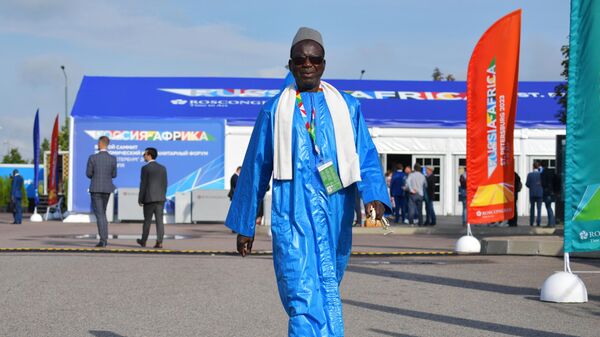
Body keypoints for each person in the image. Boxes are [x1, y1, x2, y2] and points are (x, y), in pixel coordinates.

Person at [224, 27, 391, 337]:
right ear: (291, 65)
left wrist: (374, 196)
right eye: (300, 59)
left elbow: (365, 155)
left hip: (335, 213)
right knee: (301, 295)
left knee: (328, 286)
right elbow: (255, 169)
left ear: (324, 64)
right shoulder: (274, 111)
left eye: (314, 59)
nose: (308, 64)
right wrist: (245, 224)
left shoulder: (348, 108)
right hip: (292, 215)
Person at [86, 136, 117, 247]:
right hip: (107, 188)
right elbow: (114, 175)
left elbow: (88, 174)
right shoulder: (113, 158)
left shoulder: (92, 158)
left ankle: (103, 240)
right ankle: (104, 238)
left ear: (100, 143)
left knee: (100, 214)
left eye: (98, 143)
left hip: (96, 189)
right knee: (102, 213)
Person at [137, 147, 168, 249]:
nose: (143, 156)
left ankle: (143, 241)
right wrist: (162, 196)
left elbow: (143, 185)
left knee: (147, 221)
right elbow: (165, 184)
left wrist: (140, 199)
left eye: (144, 154)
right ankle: (159, 242)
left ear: (149, 155)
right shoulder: (163, 168)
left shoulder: (145, 168)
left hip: (149, 199)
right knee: (160, 221)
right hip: (160, 199)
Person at [526, 161, 543, 227]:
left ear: (533, 166)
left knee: (532, 208)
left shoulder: (530, 174)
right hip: (540, 193)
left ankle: (531, 221)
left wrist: (531, 186)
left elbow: (527, 184)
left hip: (532, 193)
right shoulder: (541, 175)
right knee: (539, 208)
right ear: (538, 167)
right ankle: (538, 221)